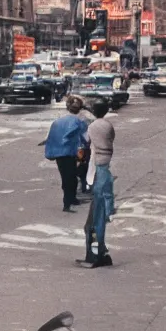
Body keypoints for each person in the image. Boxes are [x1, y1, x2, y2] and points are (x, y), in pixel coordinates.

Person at [79, 101, 115, 269]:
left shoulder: (92, 127)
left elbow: (86, 141)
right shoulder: (108, 125)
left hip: (97, 166)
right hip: (104, 163)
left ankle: (96, 251)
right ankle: (99, 249)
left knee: (94, 218)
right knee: (97, 213)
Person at [44, 96, 89, 212]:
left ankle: (71, 199)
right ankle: (67, 203)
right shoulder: (80, 121)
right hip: (71, 153)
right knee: (71, 178)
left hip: (59, 154)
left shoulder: (57, 122)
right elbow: (85, 138)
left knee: (66, 177)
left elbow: (51, 138)